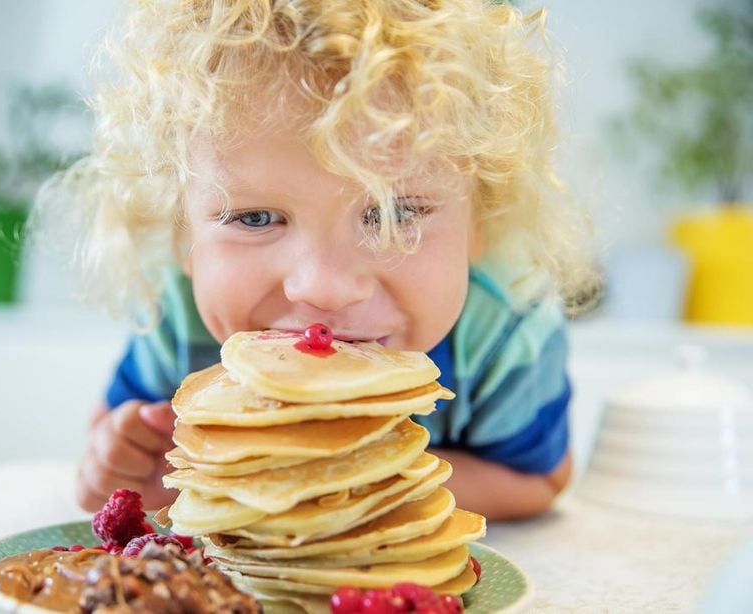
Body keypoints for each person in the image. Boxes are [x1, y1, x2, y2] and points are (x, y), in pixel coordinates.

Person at [38, 0, 595, 521]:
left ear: (482, 223)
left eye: (388, 213)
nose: (324, 288)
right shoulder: (179, 321)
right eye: (256, 219)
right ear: (184, 240)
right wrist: (123, 467)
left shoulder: (505, 331)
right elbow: (114, 456)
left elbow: (538, 479)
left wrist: (352, 485)